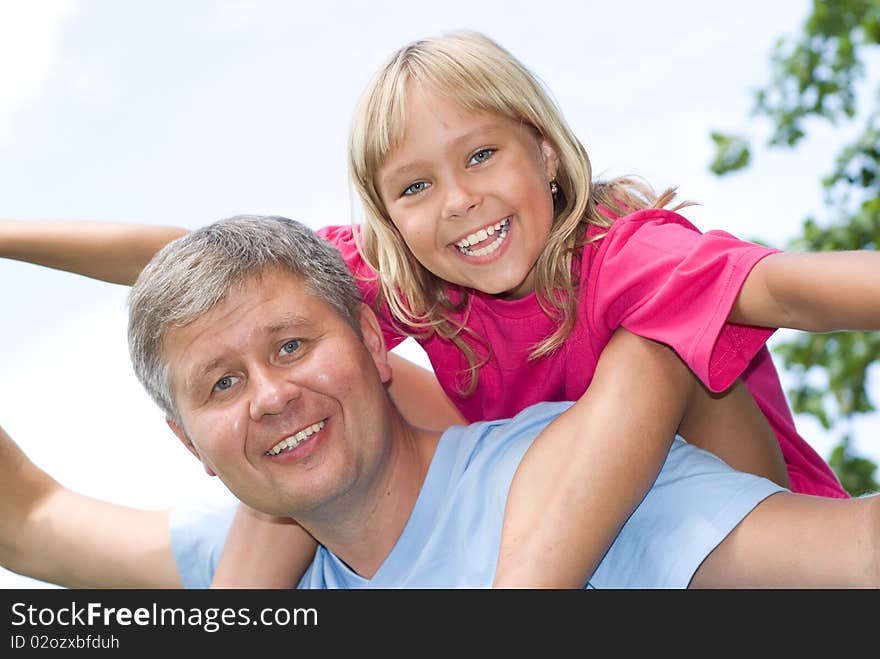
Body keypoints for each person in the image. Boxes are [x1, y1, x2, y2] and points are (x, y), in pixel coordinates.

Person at [3, 30, 879, 587]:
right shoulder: (408, 277)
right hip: (530, 479)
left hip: (738, 489)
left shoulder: (627, 255)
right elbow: (192, 256)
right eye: (417, 185)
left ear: (543, 150)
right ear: (388, 216)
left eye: (482, 155)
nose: (457, 201)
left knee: (647, 348)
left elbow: (799, 288)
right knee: (306, 356)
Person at [4, 214, 879, 589]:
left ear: (374, 339)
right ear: (187, 440)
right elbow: (28, 517)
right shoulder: (259, 545)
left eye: (292, 346)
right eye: (221, 384)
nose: (270, 395)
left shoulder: (582, 479)